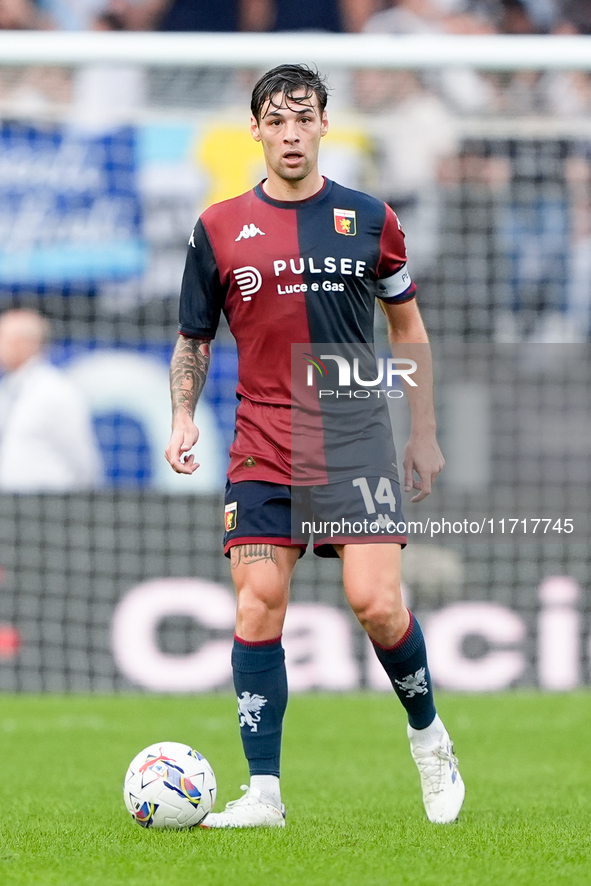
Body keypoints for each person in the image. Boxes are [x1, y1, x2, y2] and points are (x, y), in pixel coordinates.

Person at [165, 64, 465, 827]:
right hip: (263, 439)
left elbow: (407, 329)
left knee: (376, 604)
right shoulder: (218, 227)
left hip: (354, 433)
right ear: (257, 130)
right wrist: (182, 415)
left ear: (325, 125)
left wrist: (422, 432)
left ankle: (428, 739)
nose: (291, 133)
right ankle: (262, 793)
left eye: (305, 119)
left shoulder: (370, 218)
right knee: (258, 601)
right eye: (277, 120)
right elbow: (192, 338)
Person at [0, 309, 102, 492]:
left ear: (22, 344)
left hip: (49, 504)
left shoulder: (56, 391)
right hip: (9, 507)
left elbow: (82, 457)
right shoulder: (7, 389)